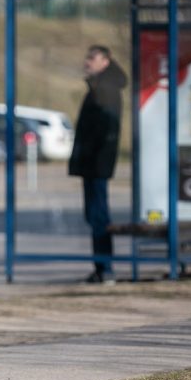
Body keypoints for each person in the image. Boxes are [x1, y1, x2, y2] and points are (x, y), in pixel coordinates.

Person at [69, 45, 128, 284]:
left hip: (96, 165)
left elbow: (106, 130)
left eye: (92, 58)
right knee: (95, 215)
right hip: (93, 163)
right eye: (87, 56)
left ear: (106, 61)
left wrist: (95, 159)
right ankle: (101, 267)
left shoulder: (106, 88)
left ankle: (105, 268)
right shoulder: (100, 86)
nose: (87, 62)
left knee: (98, 216)